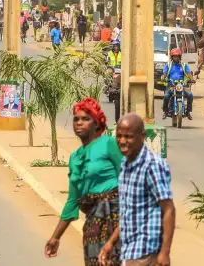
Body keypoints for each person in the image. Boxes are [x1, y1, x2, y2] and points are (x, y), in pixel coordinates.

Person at [46, 98, 122, 265]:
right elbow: (72, 201)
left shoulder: (109, 144)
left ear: (97, 123)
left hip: (117, 221)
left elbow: (129, 183)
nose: (79, 123)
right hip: (93, 226)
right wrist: (55, 237)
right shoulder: (75, 157)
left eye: (85, 119)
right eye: (76, 119)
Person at [99, 114, 175, 266]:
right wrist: (110, 243)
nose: (122, 141)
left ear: (142, 136)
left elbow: (169, 210)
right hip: (131, 251)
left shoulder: (152, 165)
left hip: (147, 253)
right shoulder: (126, 165)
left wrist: (165, 252)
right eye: (119, 136)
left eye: (128, 136)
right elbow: (129, 212)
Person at [161, 48, 194, 120]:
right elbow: (165, 73)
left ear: (180, 57)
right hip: (171, 85)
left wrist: (192, 79)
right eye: (174, 56)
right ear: (172, 57)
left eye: (177, 56)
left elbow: (189, 73)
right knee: (166, 96)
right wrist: (163, 77)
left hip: (182, 85)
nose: (176, 58)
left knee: (190, 95)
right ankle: (165, 111)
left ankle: (188, 112)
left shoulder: (183, 65)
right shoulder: (168, 65)